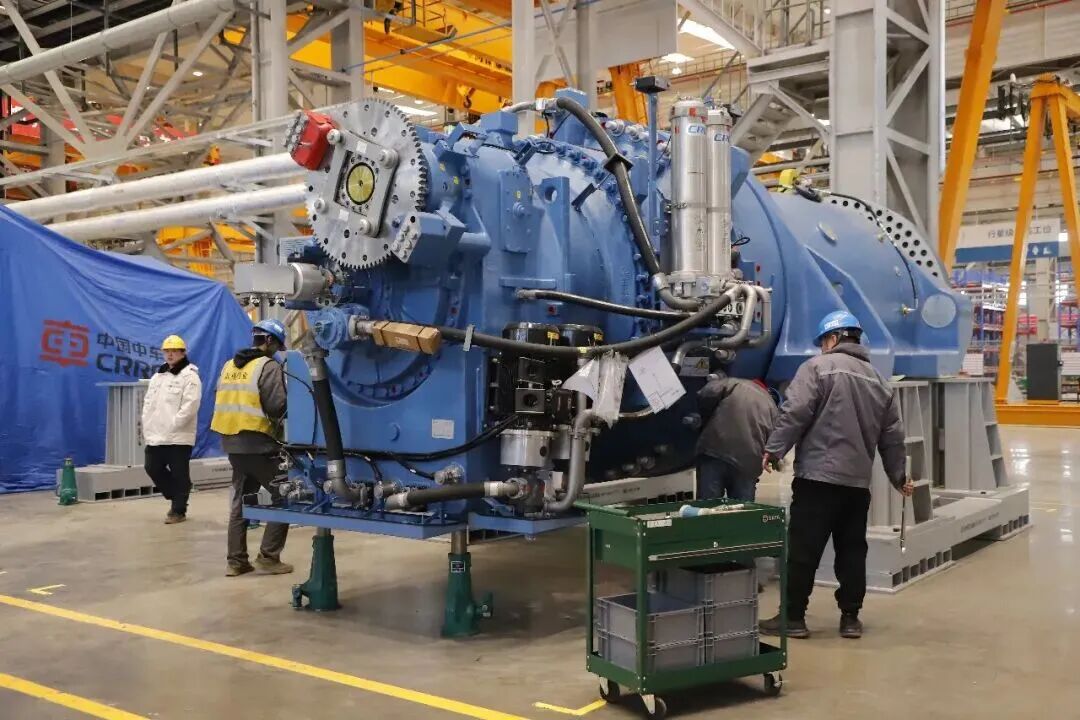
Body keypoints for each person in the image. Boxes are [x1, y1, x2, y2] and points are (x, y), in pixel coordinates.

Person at [758, 311, 913, 640]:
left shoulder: (817, 368)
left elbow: (795, 411)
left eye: (822, 342)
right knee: (852, 552)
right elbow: (893, 437)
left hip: (817, 479)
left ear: (833, 338)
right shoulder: (879, 382)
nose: (821, 348)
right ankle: (850, 619)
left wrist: (774, 448)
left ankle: (793, 618)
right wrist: (899, 477)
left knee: (803, 551)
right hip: (857, 486)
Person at [211, 319, 293, 577]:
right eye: (277, 345)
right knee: (285, 494)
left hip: (232, 443)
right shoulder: (267, 366)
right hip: (259, 443)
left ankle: (236, 562)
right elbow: (277, 406)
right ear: (268, 340)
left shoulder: (229, 366)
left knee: (241, 501)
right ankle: (268, 557)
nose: (277, 351)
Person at [142, 335, 202, 524]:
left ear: (183, 353)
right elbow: (148, 403)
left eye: (174, 351)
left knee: (179, 473)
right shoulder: (158, 376)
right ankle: (178, 494)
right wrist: (147, 423)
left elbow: (190, 405)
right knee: (152, 467)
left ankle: (178, 510)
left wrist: (174, 424)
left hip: (178, 436)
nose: (170, 355)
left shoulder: (190, 376)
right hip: (156, 434)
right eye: (167, 351)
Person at [695, 371, 778, 501]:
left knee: (708, 505)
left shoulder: (736, 383)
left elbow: (707, 392)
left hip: (715, 449)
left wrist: (707, 415)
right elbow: (774, 441)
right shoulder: (772, 407)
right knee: (742, 508)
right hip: (749, 461)